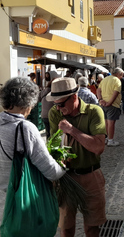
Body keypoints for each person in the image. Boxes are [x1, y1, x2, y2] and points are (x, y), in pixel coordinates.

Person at [0, 77, 66, 227]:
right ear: (28, 103)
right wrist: (62, 167)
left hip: (0, 200)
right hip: (22, 199)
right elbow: (50, 170)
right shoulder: (25, 128)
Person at [47, 77, 107, 237]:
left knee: (92, 227)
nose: (58, 109)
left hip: (91, 174)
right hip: (66, 177)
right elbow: (55, 146)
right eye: (55, 104)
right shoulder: (55, 113)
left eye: (61, 104)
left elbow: (98, 147)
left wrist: (72, 130)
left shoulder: (94, 112)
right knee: (66, 228)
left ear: (74, 97)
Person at [96, 68, 124, 147]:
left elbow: (98, 90)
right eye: (121, 75)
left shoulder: (105, 79)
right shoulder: (117, 80)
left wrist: (100, 100)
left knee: (105, 122)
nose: (121, 77)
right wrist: (109, 102)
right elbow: (116, 92)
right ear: (119, 74)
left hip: (103, 104)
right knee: (111, 123)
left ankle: (106, 139)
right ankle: (110, 140)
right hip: (112, 104)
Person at [39, 70, 59, 138]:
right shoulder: (55, 92)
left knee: (48, 132)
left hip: (44, 115)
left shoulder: (44, 91)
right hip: (52, 114)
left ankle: (48, 145)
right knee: (53, 133)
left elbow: (38, 99)